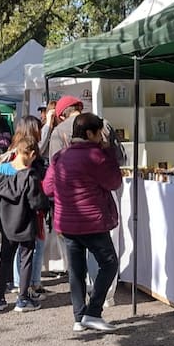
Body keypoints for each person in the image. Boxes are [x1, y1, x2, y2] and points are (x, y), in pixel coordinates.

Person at [43, 112, 122, 333]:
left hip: (67, 222)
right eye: (99, 134)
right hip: (92, 221)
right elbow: (114, 181)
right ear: (90, 133)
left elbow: (48, 188)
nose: (101, 137)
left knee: (76, 270)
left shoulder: (60, 156)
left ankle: (79, 317)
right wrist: (107, 151)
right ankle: (93, 312)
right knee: (109, 263)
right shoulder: (96, 155)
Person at [0, 133, 49, 312]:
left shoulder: (0, 173)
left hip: (7, 223)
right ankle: (22, 299)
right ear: (30, 154)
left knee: (5, 260)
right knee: (26, 259)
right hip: (25, 223)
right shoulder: (30, 176)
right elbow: (36, 202)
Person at [43, 94, 83, 161]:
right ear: (79, 108)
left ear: (62, 117)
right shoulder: (102, 123)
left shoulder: (58, 131)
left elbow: (55, 163)